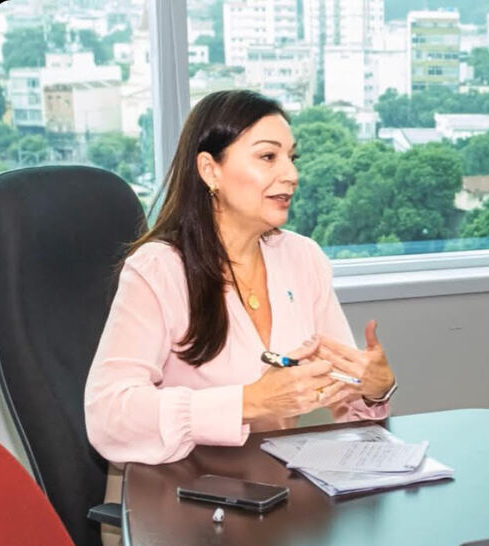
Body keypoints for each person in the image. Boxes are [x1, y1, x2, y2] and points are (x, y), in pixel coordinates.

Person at [85, 89, 398, 468]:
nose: (292, 174)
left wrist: (372, 388)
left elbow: (344, 399)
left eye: (291, 157)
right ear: (209, 170)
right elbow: (108, 414)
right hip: (177, 501)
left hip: (275, 497)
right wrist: (251, 401)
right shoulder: (158, 269)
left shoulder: (303, 258)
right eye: (268, 157)